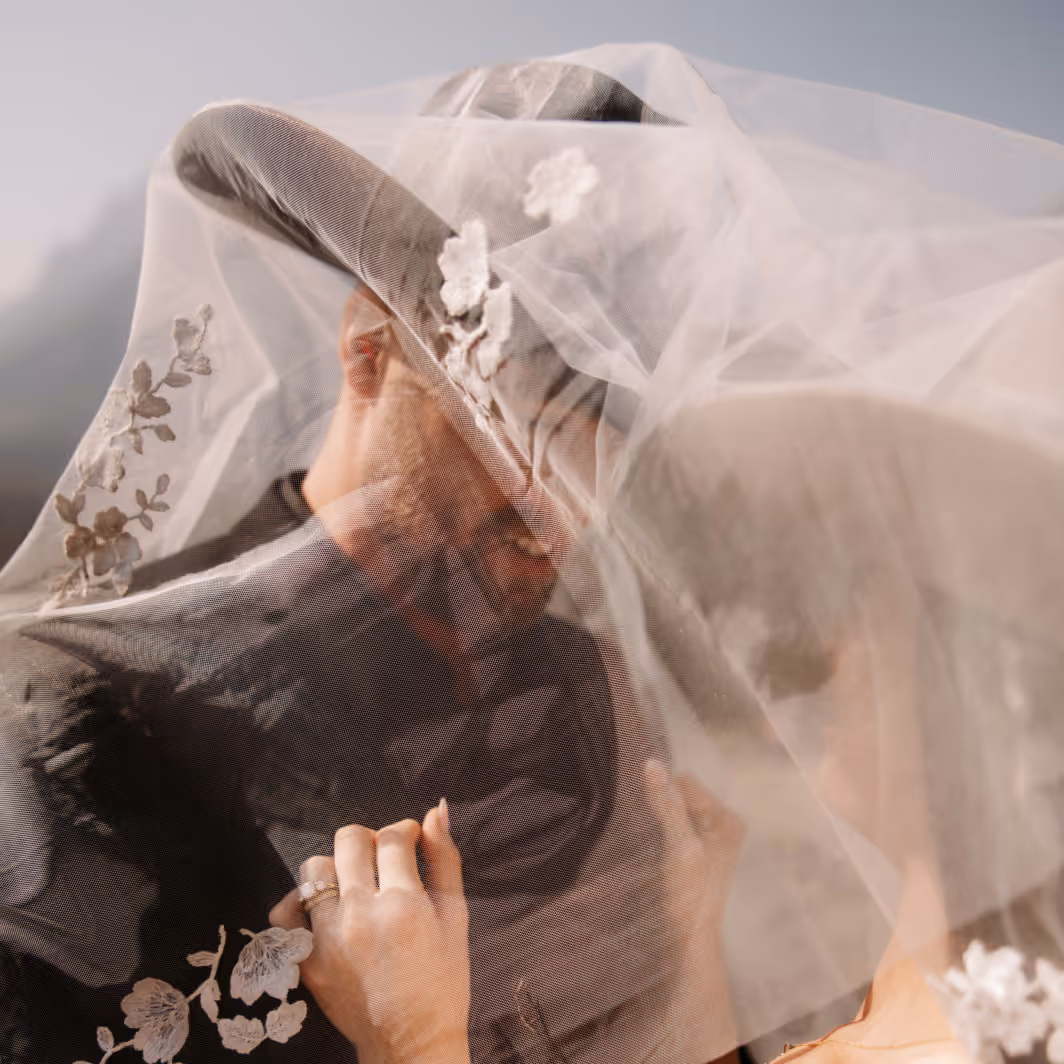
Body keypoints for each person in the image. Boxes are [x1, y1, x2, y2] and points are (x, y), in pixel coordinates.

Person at [3, 41, 1064, 1064]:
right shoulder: (104, 711)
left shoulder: (621, 695)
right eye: (514, 412)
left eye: (607, 421)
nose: (566, 478)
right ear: (371, 350)